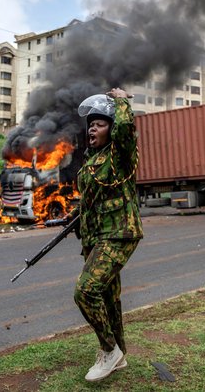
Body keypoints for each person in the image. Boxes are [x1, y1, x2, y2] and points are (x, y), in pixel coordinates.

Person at [70, 87, 143, 382]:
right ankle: (120, 355)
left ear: (111, 129)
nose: (91, 128)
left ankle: (108, 350)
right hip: (96, 238)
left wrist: (122, 101)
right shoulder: (92, 162)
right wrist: (74, 217)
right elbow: (91, 202)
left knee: (85, 291)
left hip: (118, 233)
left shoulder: (120, 153)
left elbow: (126, 127)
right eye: (90, 124)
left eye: (99, 124)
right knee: (110, 298)